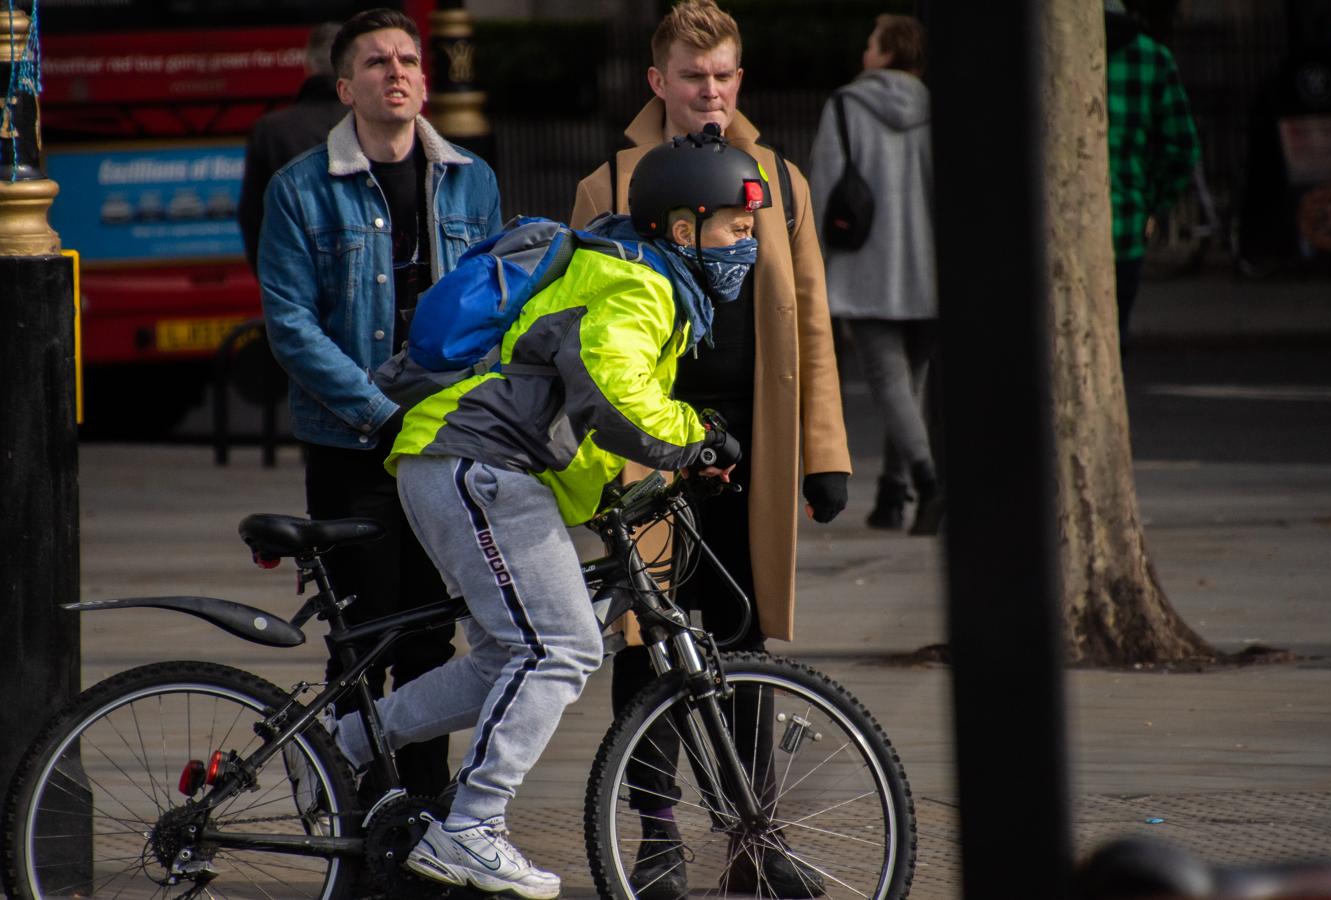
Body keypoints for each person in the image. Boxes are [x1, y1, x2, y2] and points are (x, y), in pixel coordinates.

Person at [312, 130, 770, 899]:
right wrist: (698, 437)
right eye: (737, 228)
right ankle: (472, 828)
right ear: (685, 229)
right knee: (560, 647)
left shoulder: (631, 274)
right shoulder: (640, 286)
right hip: (477, 464)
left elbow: (573, 409)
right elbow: (614, 395)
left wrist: (622, 497)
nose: (747, 247)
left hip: (464, 462)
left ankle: (343, 741)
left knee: (511, 656)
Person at [570, 2, 851, 896]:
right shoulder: (608, 185)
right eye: (695, 79)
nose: (713, 94)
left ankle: (753, 840)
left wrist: (823, 454)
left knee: (745, 649)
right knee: (645, 646)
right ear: (659, 83)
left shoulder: (781, 180)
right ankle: (655, 835)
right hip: (646, 452)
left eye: (725, 76)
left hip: (751, 453)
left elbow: (809, 326)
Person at [258, 7, 501, 802]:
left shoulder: (472, 178)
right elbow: (290, 325)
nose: (394, 72)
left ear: (424, 81)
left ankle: (427, 814)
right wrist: (379, 411)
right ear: (343, 86)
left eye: (406, 60)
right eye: (375, 63)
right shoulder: (299, 189)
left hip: (442, 446)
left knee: (434, 636)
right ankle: (353, 810)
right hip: (349, 445)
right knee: (362, 637)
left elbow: (499, 305)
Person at [808, 14, 943, 534]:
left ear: (887, 53)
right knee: (909, 384)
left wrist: (815, 272)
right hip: (931, 272)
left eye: (871, 43)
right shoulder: (938, 105)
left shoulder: (846, 105)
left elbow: (823, 191)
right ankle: (893, 496)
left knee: (890, 382)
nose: (865, 51)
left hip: (868, 272)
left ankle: (930, 484)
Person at [1105, 0, 1200, 351]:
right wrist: (1154, 202)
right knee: (1113, 341)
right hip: (1125, 222)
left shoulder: (1043, 53)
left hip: (1054, 230)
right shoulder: (1152, 58)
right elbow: (1181, 147)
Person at [237, 21, 347, 273]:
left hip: (299, 279)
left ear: (307, 66)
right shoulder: (372, 123)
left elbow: (254, 220)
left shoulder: (270, 130)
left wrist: (277, 283)